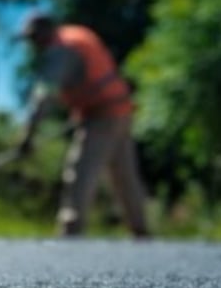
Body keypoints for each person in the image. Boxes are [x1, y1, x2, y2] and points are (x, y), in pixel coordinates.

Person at [15, 12, 149, 237]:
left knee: (81, 170)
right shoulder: (76, 35)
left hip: (102, 115)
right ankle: (141, 231)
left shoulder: (61, 50)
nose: (32, 44)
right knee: (124, 176)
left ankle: (71, 230)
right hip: (119, 109)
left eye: (33, 37)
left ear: (47, 31)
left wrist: (28, 136)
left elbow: (44, 95)